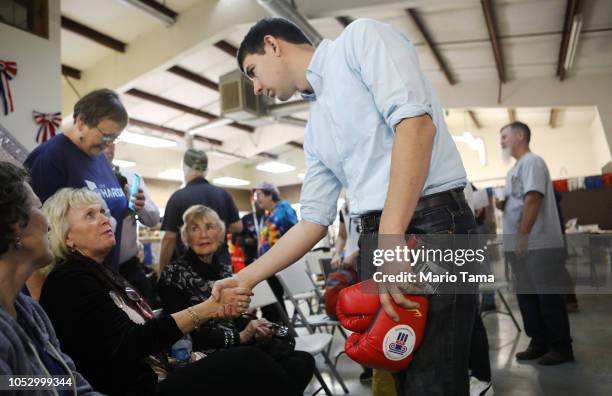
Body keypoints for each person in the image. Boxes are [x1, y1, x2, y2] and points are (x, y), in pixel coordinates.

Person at [214, 17, 478, 396]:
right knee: (400, 367)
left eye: (252, 71)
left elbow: (416, 125)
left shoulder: (359, 40)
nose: (254, 88)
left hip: (433, 223)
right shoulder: (316, 126)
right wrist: (245, 279)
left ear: (273, 44)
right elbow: (313, 221)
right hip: (382, 235)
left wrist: (390, 238)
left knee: (435, 376)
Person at [39, 188, 293, 395]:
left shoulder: (104, 273)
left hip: (165, 367)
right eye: (90, 215)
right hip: (137, 387)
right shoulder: (70, 279)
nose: (106, 219)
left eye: (103, 212)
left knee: (292, 362)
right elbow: (128, 344)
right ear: (67, 236)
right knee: (252, 362)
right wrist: (212, 313)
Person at [158, 205, 314, 395]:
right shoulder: (173, 273)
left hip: (237, 347)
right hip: (201, 355)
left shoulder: (224, 270)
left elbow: (234, 318)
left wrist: (254, 327)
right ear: (185, 236)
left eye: (210, 226)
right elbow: (179, 333)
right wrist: (240, 336)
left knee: (303, 361)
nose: (203, 234)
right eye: (194, 228)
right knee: (285, 371)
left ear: (221, 233)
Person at [0, 162, 99, 395]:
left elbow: (69, 384)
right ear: (15, 226)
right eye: (39, 208)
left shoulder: (29, 311)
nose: (47, 223)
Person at [24, 89, 135, 273]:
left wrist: (130, 205)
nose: (109, 144)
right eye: (106, 136)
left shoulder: (99, 157)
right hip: (70, 281)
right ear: (81, 122)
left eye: (115, 138)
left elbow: (109, 210)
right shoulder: (51, 158)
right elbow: (33, 230)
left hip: (106, 275)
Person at [495, 121, 574, 365]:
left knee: (547, 296)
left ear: (520, 136)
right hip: (519, 245)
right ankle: (539, 342)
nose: (502, 141)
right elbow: (518, 202)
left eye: (505, 136)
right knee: (527, 297)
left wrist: (523, 236)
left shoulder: (532, 162)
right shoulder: (513, 171)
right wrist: (502, 205)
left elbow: (533, 199)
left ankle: (561, 348)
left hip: (539, 244)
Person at [159, 149, 242, 274]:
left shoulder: (178, 197)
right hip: (221, 267)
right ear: (206, 169)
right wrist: (215, 226)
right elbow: (238, 227)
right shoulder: (222, 194)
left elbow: (169, 238)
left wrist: (161, 271)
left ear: (184, 167)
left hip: (189, 272)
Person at [104, 141, 160, 306]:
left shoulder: (128, 175)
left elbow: (153, 218)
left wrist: (140, 207)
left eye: (112, 139)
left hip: (129, 268)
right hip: (96, 269)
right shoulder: (81, 175)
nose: (108, 145)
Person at [255, 182, 298, 323]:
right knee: (270, 299)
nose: (257, 198)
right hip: (268, 263)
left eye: (259, 195)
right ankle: (276, 327)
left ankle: (282, 328)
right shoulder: (269, 215)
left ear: (270, 194)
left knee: (274, 297)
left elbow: (296, 231)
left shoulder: (283, 208)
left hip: (279, 262)